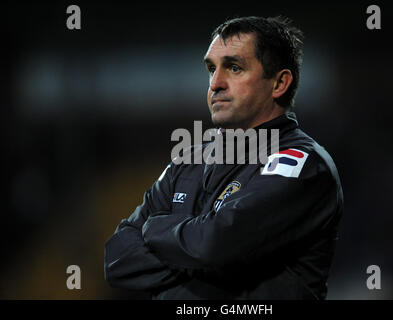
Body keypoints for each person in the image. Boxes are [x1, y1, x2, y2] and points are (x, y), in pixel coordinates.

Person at [104, 16, 343, 300]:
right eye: (211, 69)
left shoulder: (302, 164)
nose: (215, 83)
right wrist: (204, 258)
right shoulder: (187, 161)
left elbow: (214, 245)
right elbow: (118, 260)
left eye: (234, 67)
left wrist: (153, 228)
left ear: (279, 83)